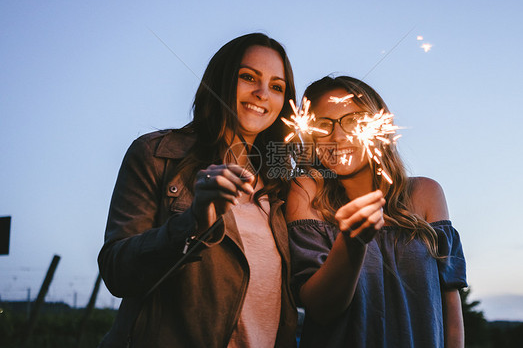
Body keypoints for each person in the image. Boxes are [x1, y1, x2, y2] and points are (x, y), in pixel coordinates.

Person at [98, 33, 298, 348]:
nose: (262, 94)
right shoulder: (156, 155)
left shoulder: (281, 186)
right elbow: (115, 271)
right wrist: (193, 223)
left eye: (276, 87)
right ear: (220, 81)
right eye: (248, 77)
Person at [286, 76, 467, 348]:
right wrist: (351, 243)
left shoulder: (426, 193)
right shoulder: (307, 193)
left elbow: (450, 306)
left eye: (354, 120)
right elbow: (320, 309)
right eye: (323, 125)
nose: (338, 136)